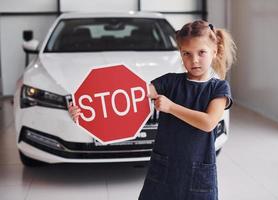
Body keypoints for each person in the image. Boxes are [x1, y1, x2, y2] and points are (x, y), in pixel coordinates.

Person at [68, 19, 236, 200]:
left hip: (198, 172)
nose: (194, 60)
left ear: (215, 51)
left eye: (201, 52)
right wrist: (85, 110)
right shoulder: (170, 81)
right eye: (186, 53)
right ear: (180, 54)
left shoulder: (219, 88)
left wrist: (171, 107)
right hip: (163, 167)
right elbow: (130, 95)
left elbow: (208, 122)